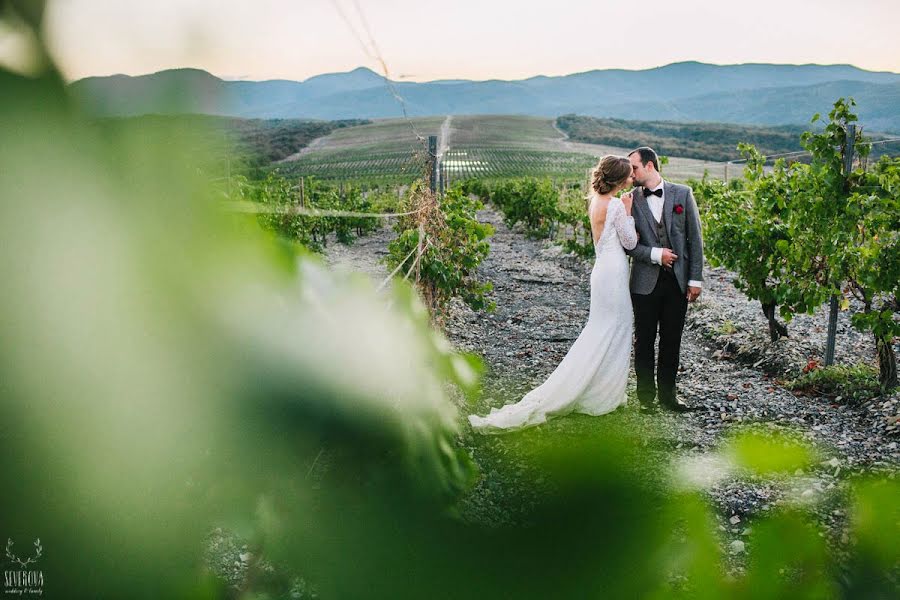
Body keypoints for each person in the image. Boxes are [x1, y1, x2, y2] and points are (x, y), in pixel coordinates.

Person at [469, 156, 638, 433]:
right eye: (628, 176)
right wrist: (629, 212)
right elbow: (630, 242)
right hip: (615, 272)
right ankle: (603, 395)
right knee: (617, 327)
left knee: (601, 329)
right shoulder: (618, 205)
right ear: (619, 181)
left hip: (601, 271)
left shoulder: (595, 200)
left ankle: (596, 388)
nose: (632, 179)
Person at [625, 147, 704, 413]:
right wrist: (656, 254)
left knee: (672, 339)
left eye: (633, 167)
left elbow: (695, 240)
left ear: (649, 166)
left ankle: (669, 396)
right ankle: (646, 398)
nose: (630, 173)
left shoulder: (683, 194)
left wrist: (696, 279)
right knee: (644, 340)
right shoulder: (629, 200)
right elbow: (627, 246)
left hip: (677, 282)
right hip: (644, 283)